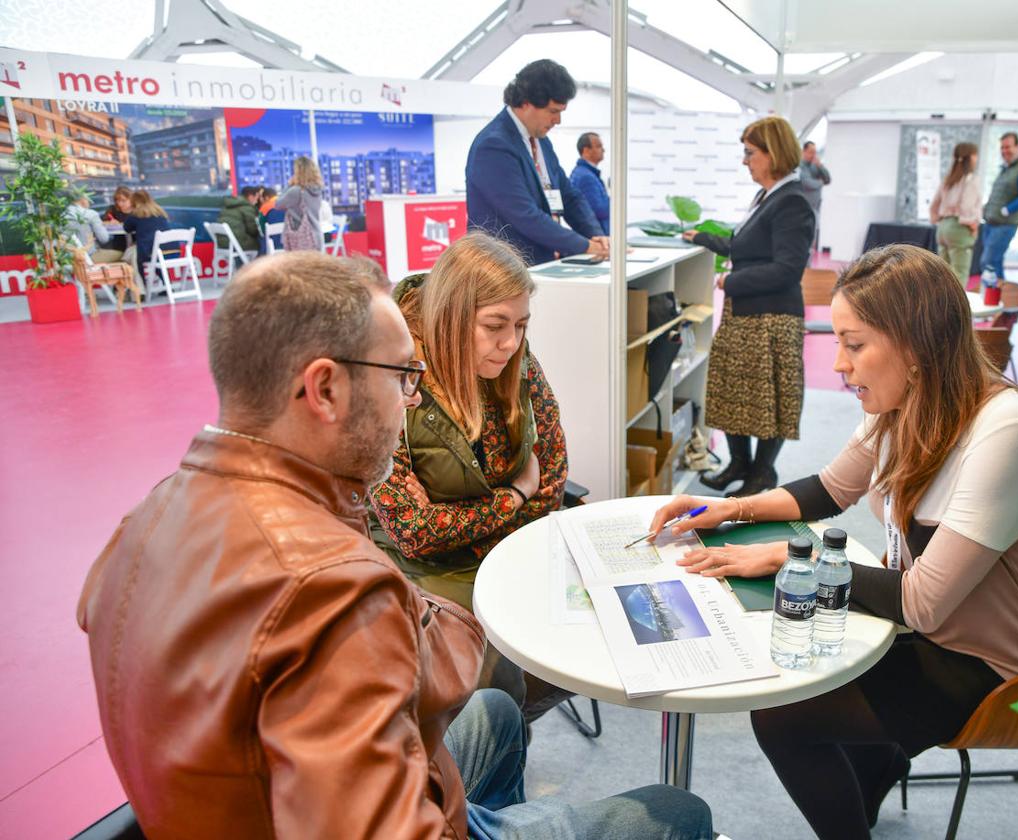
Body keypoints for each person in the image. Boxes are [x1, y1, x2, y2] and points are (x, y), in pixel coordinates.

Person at [77, 251, 712, 840]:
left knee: (493, 711)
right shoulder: (331, 587)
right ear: (325, 390)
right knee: (679, 813)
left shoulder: (147, 517)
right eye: (404, 375)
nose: (413, 395)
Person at [648, 244, 1018, 840]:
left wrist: (786, 559)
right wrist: (726, 509)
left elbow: (921, 602)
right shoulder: (903, 400)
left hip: (985, 663)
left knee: (782, 716)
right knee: (787, 658)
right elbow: (829, 488)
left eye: (855, 344)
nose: (839, 364)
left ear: (916, 347)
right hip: (921, 628)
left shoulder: (1006, 434)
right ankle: (880, 764)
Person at [369, 232, 570, 720]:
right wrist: (513, 495)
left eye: (521, 325)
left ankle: (498, 748)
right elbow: (413, 534)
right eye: (496, 326)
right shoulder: (395, 371)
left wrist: (464, 519)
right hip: (425, 570)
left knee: (595, 615)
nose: (512, 343)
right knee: (484, 666)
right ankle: (483, 765)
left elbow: (554, 474)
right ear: (451, 319)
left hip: (501, 545)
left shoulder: (513, 358)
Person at [683, 115, 815, 498]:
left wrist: (730, 281)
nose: (745, 161)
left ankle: (762, 474)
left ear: (773, 153)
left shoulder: (793, 203)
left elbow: (788, 269)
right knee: (734, 394)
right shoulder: (769, 197)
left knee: (768, 399)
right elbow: (749, 245)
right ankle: (739, 465)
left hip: (772, 317)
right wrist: (704, 238)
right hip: (748, 314)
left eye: (750, 152)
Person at [466, 59, 608, 265]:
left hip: (538, 264)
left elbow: (569, 197)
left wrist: (597, 236)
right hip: (501, 270)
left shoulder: (542, 143)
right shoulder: (494, 145)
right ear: (525, 103)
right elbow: (523, 214)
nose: (558, 120)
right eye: (553, 111)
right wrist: (584, 246)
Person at [980, 131, 1018, 281]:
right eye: (1002, 148)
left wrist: (1007, 210)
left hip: (1004, 225)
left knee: (988, 262)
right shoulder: (1006, 168)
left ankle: (995, 299)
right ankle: (998, 299)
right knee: (995, 263)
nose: (1005, 151)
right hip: (991, 223)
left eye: (1008, 147)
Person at [929, 142, 982, 286]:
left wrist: (937, 218)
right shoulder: (971, 180)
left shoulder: (948, 180)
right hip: (960, 227)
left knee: (943, 274)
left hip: (943, 227)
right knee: (960, 273)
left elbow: (934, 205)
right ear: (971, 157)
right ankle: (957, 308)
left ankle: (942, 306)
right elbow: (967, 207)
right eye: (976, 155)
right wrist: (973, 224)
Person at [123, 189, 172, 292]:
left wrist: (130, 211)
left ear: (134, 202)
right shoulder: (160, 212)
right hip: (172, 251)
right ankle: (168, 285)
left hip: (152, 253)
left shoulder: (136, 215)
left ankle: (142, 289)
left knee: (137, 257)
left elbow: (127, 228)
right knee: (155, 256)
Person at [276, 156, 324, 251]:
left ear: (298, 172)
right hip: (315, 236)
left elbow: (278, 204)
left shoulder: (296, 191)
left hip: (301, 239)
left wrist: (289, 185)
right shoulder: (317, 189)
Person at [570, 131, 609, 235]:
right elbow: (599, 210)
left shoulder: (584, 173)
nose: (603, 150)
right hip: (597, 237)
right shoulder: (586, 177)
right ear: (586, 150)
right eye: (599, 146)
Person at [798, 141, 831, 252]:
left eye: (814, 152)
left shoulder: (814, 166)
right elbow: (807, 183)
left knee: (812, 240)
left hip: (815, 208)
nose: (813, 155)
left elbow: (827, 179)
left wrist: (820, 166)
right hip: (803, 208)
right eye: (811, 152)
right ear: (804, 151)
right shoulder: (799, 167)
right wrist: (820, 182)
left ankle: (809, 265)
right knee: (803, 240)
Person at [65, 194, 116, 260]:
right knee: (123, 254)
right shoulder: (91, 214)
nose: (90, 203)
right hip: (89, 256)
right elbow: (104, 239)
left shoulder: (62, 215)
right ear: (83, 200)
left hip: (68, 258)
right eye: (89, 200)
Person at [216, 185, 263, 253]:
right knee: (263, 244)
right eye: (256, 198)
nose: (256, 201)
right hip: (238, 243)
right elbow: (253, 230)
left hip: (224, 243)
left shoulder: (228, 206)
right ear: (250, 196)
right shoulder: (246, 208)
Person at [101, 185, 134, 253]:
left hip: (135, 243)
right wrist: (109, 223)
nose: (120, 204)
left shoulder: (137, 210)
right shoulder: (113, 209)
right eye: (117, 201)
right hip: (118, 245)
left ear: (131, 199)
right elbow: (101, 223)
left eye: (123, 201)